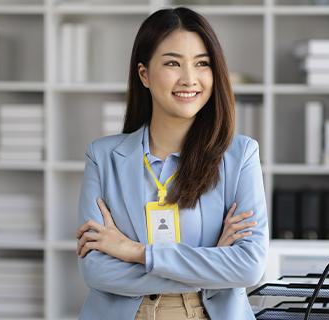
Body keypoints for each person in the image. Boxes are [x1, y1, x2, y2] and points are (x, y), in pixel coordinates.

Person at [73, 7, 268, 319]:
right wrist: (213, 262)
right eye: (173, 63)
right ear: (144, 74)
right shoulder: (103, 156)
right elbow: (97, 271)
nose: (189, 79)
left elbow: (249, 267)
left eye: (202, 64)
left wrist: (136, 252)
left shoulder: (240, 155)